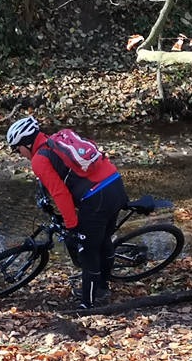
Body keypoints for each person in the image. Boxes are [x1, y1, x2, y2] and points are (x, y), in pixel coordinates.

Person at [7, 115, 128, 309]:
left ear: (27, 143)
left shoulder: (39, 159)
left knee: (87, 251)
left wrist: (72, 227)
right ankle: (102, 287)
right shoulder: (56, 140)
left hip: (97, 198)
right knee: (104, 241)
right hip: (115, 184)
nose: (19, 155)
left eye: (17, 149)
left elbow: (60, 194)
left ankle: (87, 305)